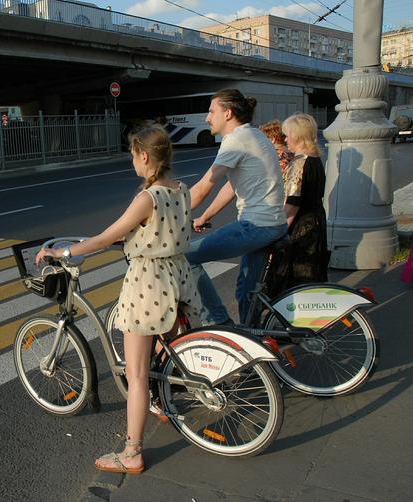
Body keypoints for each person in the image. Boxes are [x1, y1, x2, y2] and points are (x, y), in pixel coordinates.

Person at [35, 124, 202, 475]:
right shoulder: (182, 189)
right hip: (179, 277)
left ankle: (131, 451)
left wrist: (60, 251)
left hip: (148, 284)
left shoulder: (147, 197)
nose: (132, 161)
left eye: (132, 155)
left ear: (143, 156)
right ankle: (160, 401)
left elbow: (106, 237)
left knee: (137, 374)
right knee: (163, 351)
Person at [186, 89, 287, 325]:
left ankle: (220, 325)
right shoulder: (253, 134)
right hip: (273, 223)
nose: (207, 118)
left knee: (184, 257)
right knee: (246, 291)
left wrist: (165, 214)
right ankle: (252, 339)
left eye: (211, 111)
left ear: (228, 113)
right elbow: (231, 188)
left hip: (257, 226)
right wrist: (204, 216)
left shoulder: (236, 140)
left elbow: (204, 187)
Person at [269, 113, 330, 291]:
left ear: (296, 136)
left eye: (287, 134)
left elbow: (293, 204)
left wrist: (278, 230)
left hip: (302, 226)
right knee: (311, 274)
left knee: (296, 276)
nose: (285, 139)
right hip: (316, 220)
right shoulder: (315, 159)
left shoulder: (300, 163)